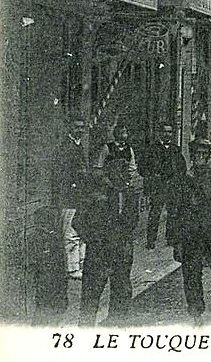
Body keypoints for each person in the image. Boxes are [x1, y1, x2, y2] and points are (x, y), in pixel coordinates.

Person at [76, 124, 142, 326]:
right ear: (109, 175)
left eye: (125, 174)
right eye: (118, 174)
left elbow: (133, 220)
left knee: (122, 297)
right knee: (90, 300)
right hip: (99, 254)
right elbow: (78, 222)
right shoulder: (97, 198)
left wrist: (126, 241)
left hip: (122, 255)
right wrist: (97, 242)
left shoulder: (130, 196)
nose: (123, 178)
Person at [172, 138, 211, 326]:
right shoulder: (183, 180)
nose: (200, 158)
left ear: (208, 157)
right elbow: (175, 210)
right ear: (191, 157)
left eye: (203, 155)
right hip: (191, 236)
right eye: (196, 155)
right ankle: (196, 315)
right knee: (191, 276)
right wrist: (177, 241)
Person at [51, 116, 88, 279]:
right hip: (68, 197)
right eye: (76, 127)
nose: (79, 130)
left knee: (80, 230)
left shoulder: (78, 146)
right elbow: (61, 176)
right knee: (70, 232)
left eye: (82, 127)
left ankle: (79, 264)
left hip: (79, 196)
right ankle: (72, 268)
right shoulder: (65, 147)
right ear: (69, 128)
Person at [138, 123, 187, 248]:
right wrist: (152, 176)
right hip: (158, 186)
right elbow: (142, 168)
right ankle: (151, 240)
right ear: (159, 133)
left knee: (173, 212)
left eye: (170, 132)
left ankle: (170, 238)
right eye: (165, 131)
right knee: (155, 213)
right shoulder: (151, 149)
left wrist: (179, 179)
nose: (167, 134)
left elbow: (182, 167)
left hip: (172, 185)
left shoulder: (175, 149)